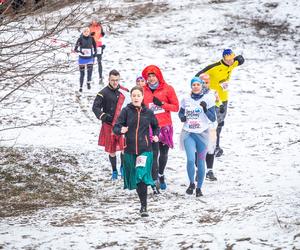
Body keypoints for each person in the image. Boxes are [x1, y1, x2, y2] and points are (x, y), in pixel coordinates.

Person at [113, 86, 159, 217]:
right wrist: (120, 130)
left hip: (145, 150)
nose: (136, 98)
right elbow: (116, 127)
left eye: (138, 95)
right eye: (134, 95)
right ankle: (142, 203)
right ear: (131, 97)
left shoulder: (148, 112)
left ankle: (144, 207)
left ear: (142, 97)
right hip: (130, 150)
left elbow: (156, 126)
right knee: (136, 179)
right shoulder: (126, 111)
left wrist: (156, 135)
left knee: (140, 174)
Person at [195, 49, 244, 157]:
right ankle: (207, 146)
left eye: (232, 59)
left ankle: (215, 146)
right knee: (211, 123)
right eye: (228, 60)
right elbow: (197, 77)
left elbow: (239, 60)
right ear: (223, 59)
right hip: (213, 100)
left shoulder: (232, 63)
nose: (231, 62)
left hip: (224, 99)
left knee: (220, 123)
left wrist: (239, 59)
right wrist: (204, 89)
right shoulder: (214, 67)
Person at [142, 65, 179, 191]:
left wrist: (162, 104)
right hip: (150, 127)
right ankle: (154, 178)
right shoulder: (142, 90)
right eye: (149, 76)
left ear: (158, 76)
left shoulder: (168, 89)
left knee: (163, 153)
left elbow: (176, 107)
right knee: (153, 153)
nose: (151, 79)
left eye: (153, 76)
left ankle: (161, 174)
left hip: (165, 127)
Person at [178, 77, 216, 196]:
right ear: (191, 86)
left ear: (201, 86)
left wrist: (205, 109)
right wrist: (182, 118)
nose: (195, 86)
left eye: (198, 84)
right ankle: (191, 183)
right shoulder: (186, 99)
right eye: (193, 84)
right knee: (190, 160)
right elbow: (180, 112)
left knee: (201, 161)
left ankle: (199, 188)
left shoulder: (208, 99)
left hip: (202, 134)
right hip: (189, 133)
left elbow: (213, 118)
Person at [92, 69, 129, 180]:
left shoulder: (124, 92)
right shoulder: (103, 93)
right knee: (111, 150)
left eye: (117, 80)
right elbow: (95, 107)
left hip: (121, 125)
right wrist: (103, 116)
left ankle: (122, 167)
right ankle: (114, 170)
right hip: (108, 125)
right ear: (109, 79)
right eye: (112, 80)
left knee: (124, 148)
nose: (115, 82)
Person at [74, 27, 97, 92]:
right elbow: (75, 49)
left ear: (89, 32)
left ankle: (88, 83)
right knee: (82, 73)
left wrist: (95, 53)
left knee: (89, 72)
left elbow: (95, 46)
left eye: (87, 31)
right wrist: (80, 52)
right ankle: (81, 86)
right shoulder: (80, 39)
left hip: (90, 58)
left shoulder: (92, 38)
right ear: (83, 32)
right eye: (85, 31)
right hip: (82, 58)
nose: (86, 33)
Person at [89, 20, 105, 85]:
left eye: (96, 20)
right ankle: (89, 78)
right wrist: (90, 35)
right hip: (92, 46)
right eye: (93, 20)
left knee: (99, 61)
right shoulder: (89, 27)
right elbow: (85, 35)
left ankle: (100, 77)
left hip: (99, 46)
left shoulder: (100, 26)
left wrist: (102, 34)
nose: (95, 22)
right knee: (91, 62)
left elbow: (101, 35)